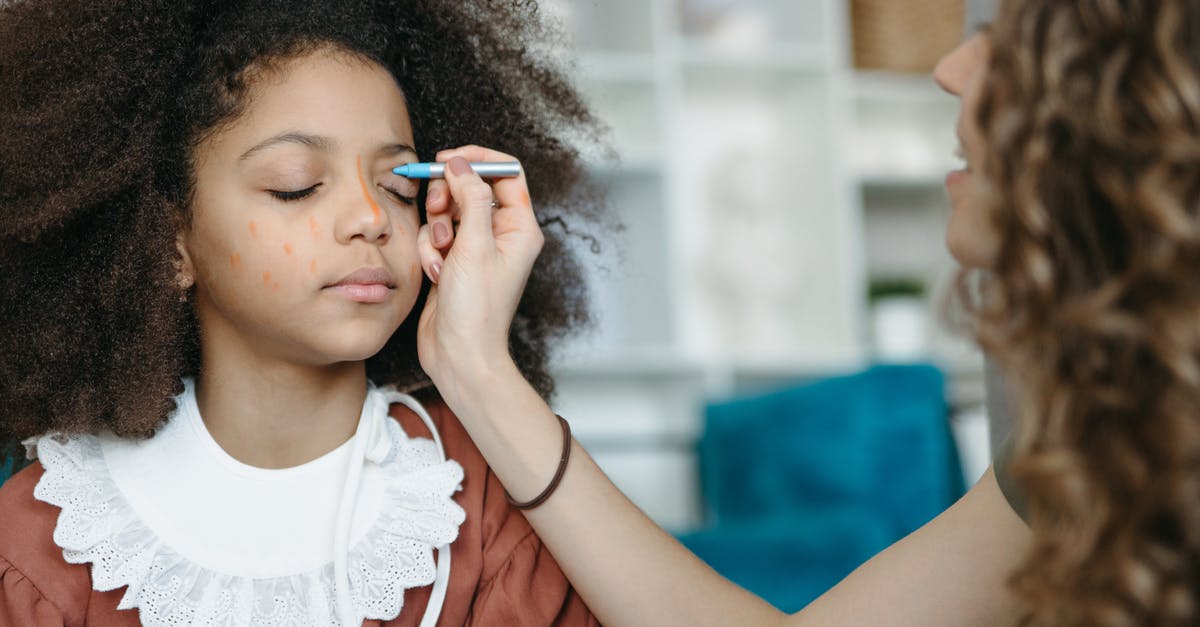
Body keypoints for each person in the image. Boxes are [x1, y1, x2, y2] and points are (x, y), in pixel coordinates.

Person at [412, 1, 1200, 625]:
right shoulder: (1088, 445)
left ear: (1141, 103)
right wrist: (476, 367)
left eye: (1007, 42)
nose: (950, 69)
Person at [0, 1, 607, 625]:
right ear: (167, 241)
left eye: (400, 187)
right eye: (296, 184)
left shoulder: (483, 502)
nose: (373, 217)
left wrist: (480, 364)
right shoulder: (44, 542)